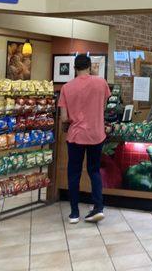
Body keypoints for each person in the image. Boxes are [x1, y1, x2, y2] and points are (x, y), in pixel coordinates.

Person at [58, 54, 111, 224]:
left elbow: (64, 117)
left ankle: (74, 213)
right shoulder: (101, 82)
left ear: (74, 68)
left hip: (76, 136)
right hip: (96, 134)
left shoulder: (66, 87)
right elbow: (103, 107)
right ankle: (98, 208)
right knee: (94, 171)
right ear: (90, 66)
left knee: (73, 173)